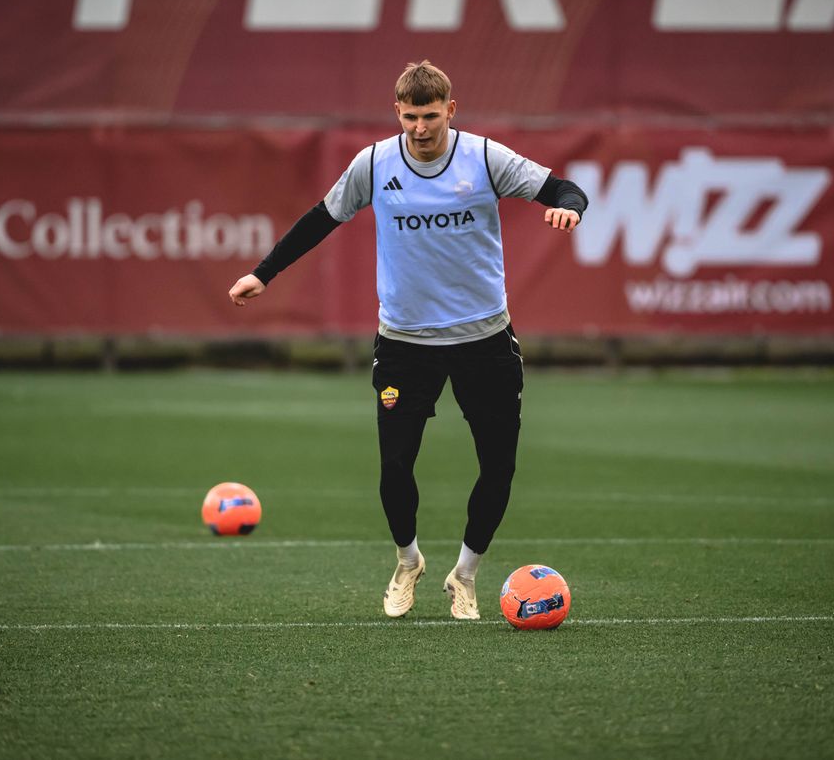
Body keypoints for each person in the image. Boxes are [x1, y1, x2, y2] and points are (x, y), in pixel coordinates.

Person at [228, 60, 587, 620]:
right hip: (405, 341)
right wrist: (263, 273)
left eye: (431, 115)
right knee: (395, 465)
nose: (421, 128)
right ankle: (408, 560)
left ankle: (465, 574)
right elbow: (320, 219)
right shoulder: (373, 163)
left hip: (484, 339)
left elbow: (562, 186)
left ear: (451, 108)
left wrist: (568, 207)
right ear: (397, 112)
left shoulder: (485, 157)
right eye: (410, 116)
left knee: (499, 466)